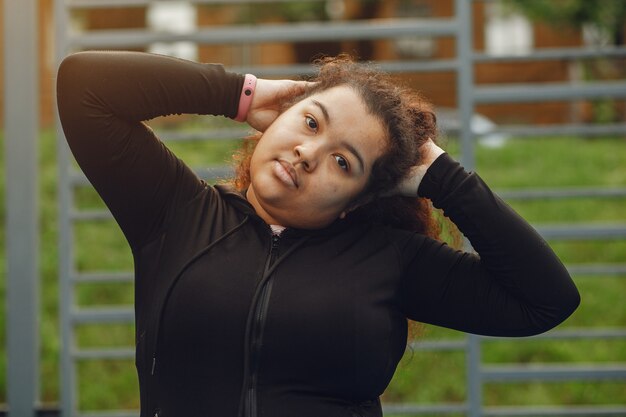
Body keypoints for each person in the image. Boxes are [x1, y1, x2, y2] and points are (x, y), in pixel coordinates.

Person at [56, 51, 580, 417]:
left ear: (363, 197)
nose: (309, 153)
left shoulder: (390, 261)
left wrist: (443, 178)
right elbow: (84, 84)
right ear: (280, 116)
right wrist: (238, 94)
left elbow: (544, 301)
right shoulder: (179, 213)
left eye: (343, 161)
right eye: (311, 123)